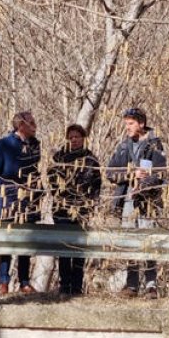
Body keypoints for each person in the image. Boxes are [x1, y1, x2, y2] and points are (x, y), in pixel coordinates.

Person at [106, 107, 166, 298]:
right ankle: (131, 285)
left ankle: (151, 285)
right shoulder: (123, 147)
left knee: (148, 241)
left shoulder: (154, 144)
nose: (128, 128)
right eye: (126, 124)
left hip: (148, 200)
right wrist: (130, 175)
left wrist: (144, 182)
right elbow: (110, 173)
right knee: (130, 242)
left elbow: (161, 173)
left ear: (141, 123)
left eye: (131, 124)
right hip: (127, 201)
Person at [0, 111, 42, 294]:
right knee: (8, 239)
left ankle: (24, 281)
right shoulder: (3, 144)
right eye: (32, 123)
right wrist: (6, 188)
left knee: (26, 240)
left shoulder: (36, 145)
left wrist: (36, 189)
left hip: (30, 198)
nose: (35, 126)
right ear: (21, 126)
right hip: (9, 197)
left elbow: (35, 170)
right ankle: (3, 281)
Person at [49, 124, 102, 295]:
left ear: (83, 138)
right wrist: (63, 195)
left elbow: (96, 184)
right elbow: (52, 181)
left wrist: (89, 202)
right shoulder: (59, 157)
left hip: (82, 208)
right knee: (64, 248)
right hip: (62, 207)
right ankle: (64, 285)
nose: (74, 140)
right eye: (71, 137)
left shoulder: (91, 159)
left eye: (77, 137)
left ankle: (77, 286)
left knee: (79, 248)